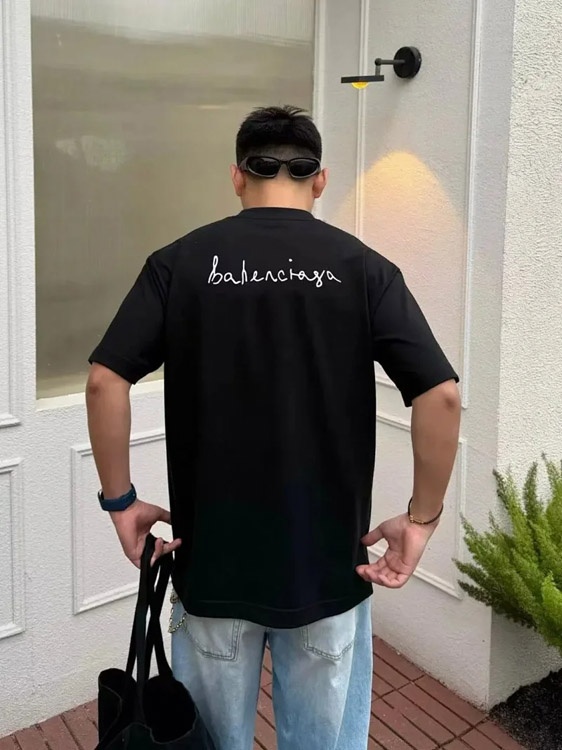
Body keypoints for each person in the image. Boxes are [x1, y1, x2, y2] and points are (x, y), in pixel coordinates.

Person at [86, 105, 461, 750]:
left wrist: (120, 503)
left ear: (237, 176)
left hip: (213, 574)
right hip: (328, 575)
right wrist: (420, 521)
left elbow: (104, 381)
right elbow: (441, 396)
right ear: (320, 180)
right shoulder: (363, 268)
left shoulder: (179, 263)